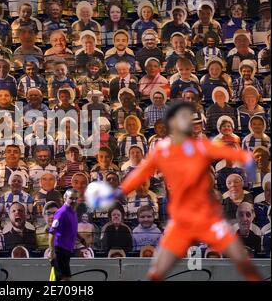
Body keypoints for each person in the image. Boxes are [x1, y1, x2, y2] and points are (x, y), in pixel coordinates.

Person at [119, 101, 262, 281]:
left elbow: (236, 154)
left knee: (244, 263)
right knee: (156, 273)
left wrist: (247, 160)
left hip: (208, 218)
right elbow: (140, 175)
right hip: (181, 223)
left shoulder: (200, 145)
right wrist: (119, 192)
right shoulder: (161, 150)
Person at [48, 189, 86, 281]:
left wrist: (81, 239)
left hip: (67, 250)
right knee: (65, 278)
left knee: (61, 278)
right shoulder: (61, 213)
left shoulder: (73, 212)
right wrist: (52, 251)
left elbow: (71, 229)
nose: (74, 201)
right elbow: (51, 232)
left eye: (76, 198)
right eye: (71, 198)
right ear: (65, 198)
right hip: (60, 250)